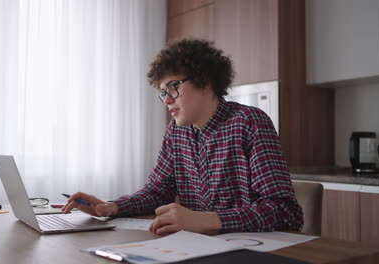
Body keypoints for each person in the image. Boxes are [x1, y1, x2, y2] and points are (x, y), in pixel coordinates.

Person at [63, 39, 303, 235]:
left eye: (173, 87)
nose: (167, 100)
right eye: (163, 93)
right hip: (194, 248)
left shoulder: (249, 122)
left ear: (205, 82)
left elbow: (284, 211)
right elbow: (159, 190)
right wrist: (111, 207)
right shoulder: (177, 132)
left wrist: (207, 220)